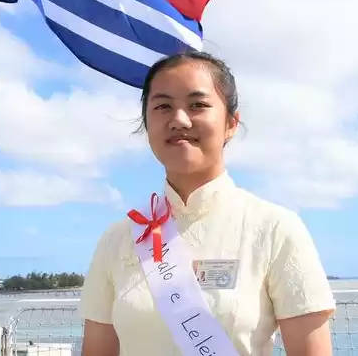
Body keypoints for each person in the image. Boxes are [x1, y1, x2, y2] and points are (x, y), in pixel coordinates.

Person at [79, 51, 336, 356]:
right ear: (147, 124)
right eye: (163, 106)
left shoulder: (275, 229)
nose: (178, 119)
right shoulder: (117, 240)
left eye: (197, 105)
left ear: (231, 123)